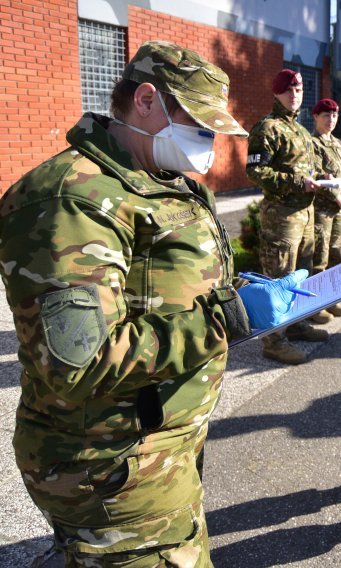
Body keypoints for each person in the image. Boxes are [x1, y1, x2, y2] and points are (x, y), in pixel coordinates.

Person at [0, 40, 306, 567]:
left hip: (159, 444)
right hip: (109, 463)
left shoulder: (161, 180)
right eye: (199, 125)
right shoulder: (72, 201)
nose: (208, 141)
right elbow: (79, 362)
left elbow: (165, 286)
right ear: (146, 100)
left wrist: (232, 289)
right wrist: (231, 317)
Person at [247, 69, 329, 365]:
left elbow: (304, 171)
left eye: (299, 88)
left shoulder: (301, 130)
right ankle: (274, 341)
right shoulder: (267, 128)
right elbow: (256, 170)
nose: (295, 94)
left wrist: (322, 178)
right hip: (282, 217)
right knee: (280, 279)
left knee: (302, 275)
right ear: (277, 93)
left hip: (305, 215)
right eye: (289, 89)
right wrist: (297, 183)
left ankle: (296, 325)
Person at [309, 97, 341, 322]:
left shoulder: (338, 144)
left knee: (337, 255)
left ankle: (331, 299)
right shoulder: (312, 144)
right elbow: (314, 174)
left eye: (335, 115)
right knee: (320, 257)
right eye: (326, 115)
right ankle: (315, 305)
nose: (331, 119)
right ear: (316, 117)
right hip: (322, 210)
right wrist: (337, 196)